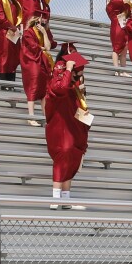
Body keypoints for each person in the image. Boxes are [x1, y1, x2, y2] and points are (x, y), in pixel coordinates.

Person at [45, 52, 92, 208]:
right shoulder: (56, 84)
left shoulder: (74, 88)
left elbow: (78, 108)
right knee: (63, 156)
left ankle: (66, 198)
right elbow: (61, 88)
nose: (80, 77)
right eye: (78, 73)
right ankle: (55, 197)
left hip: (73, 129)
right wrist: (68, 68)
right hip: (60, 129)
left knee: (72, 158)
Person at [18, 15, 55, 126]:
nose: (44, 20)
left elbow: (48, 47)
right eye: (42, 18)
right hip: (32, 62)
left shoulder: (45, 32)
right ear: (36, 19)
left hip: (43, 62)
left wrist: (44, 33)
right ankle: (31, 116)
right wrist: (42, 47)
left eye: (46, 19)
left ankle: (46, 116)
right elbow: (34, 47)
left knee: (45, 89)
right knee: (33, 87)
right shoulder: (28, 32)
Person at [106, 0, 132, 73]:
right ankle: (117, 70)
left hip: (123, 22)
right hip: (118, 23)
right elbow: (127, 1)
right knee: (117, 47)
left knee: (124, 48)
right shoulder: (115, 0)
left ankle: (122, 70)